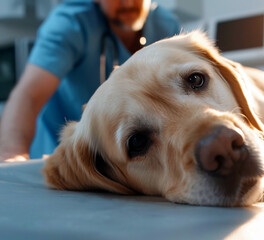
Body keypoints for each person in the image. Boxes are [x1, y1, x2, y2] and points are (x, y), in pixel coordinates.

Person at [0, 0, 180, 162]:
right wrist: (12, 154)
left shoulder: (166, 27)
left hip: (131, 158)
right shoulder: (71, 23)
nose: (127, 3)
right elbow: (29, 95)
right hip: (58, 153)